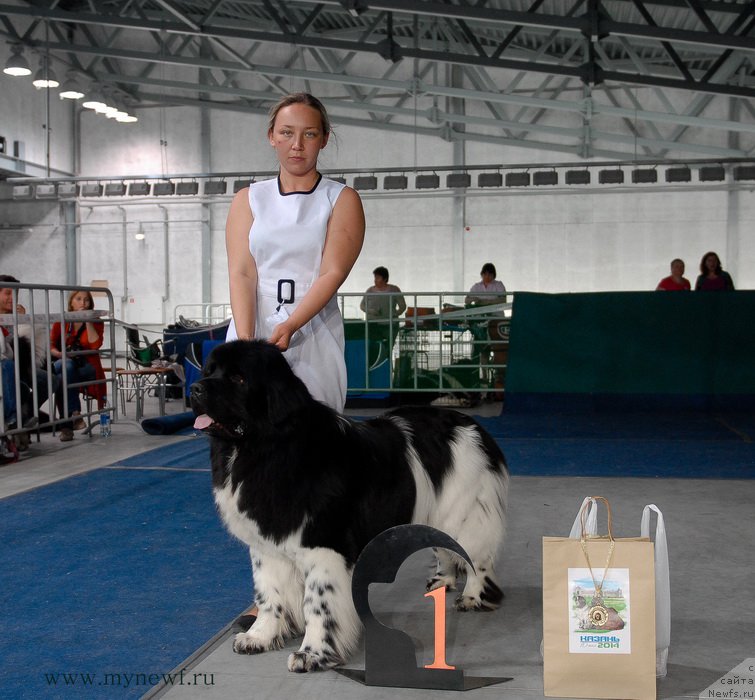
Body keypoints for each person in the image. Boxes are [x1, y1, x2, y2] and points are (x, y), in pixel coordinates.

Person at [225, 92, 365, 412]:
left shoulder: (342, 198)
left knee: (316, 434)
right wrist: (247, 346)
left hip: (313, 329)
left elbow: (333, 272)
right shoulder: (248, 199)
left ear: (324, 139)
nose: (297, 144)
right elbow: (242, 273)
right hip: (252, 324)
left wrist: (291, 325)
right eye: (287, 132)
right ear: (272, 136)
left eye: (309, 134)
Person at [50, 290, 106, 442]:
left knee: (63, 377)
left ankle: (66, 426)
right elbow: (51, 346)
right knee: (66, 366)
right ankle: (75, 414)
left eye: (86, 300)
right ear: (71, 302)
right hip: (63, 360)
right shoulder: (62, 319)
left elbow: (95, 344)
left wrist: (87, 320)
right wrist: (61, 354)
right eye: (79, 299)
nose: (83, 303)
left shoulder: (96, 321)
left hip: (86, 364)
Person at [359, 266, 406, 361]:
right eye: (375, 277)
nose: (375, 280)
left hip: (390, 325)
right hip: (373, 325)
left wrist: (395, 313)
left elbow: (402, 306)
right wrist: (371, 311)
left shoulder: (394, 290)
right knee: (373, 348)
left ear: (385, 279)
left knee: (387, 348)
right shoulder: (370, 291)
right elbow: (362, 306)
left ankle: (387, 368)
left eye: (378, 278)